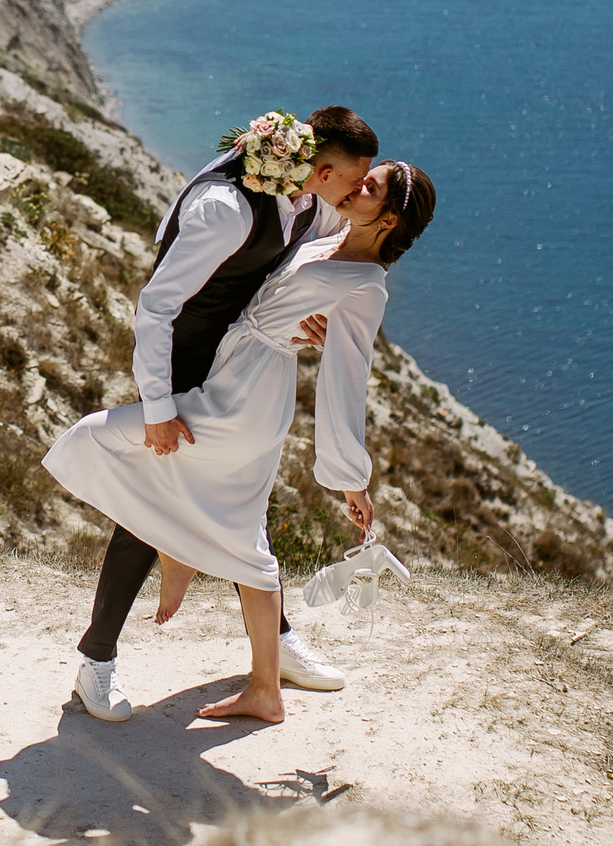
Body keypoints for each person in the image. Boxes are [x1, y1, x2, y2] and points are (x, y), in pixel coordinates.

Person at [46, 154, 436, 724]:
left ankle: (181, 560)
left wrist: (351, 478)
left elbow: (347, 381)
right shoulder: (331, 232)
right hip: (233, 371)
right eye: (358, 177)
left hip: (248, 399)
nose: (353, 188)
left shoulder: (365, 286)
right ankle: (263, 680)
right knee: (242, 526)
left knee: (99, 439)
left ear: (390, 220)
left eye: (368, 188)